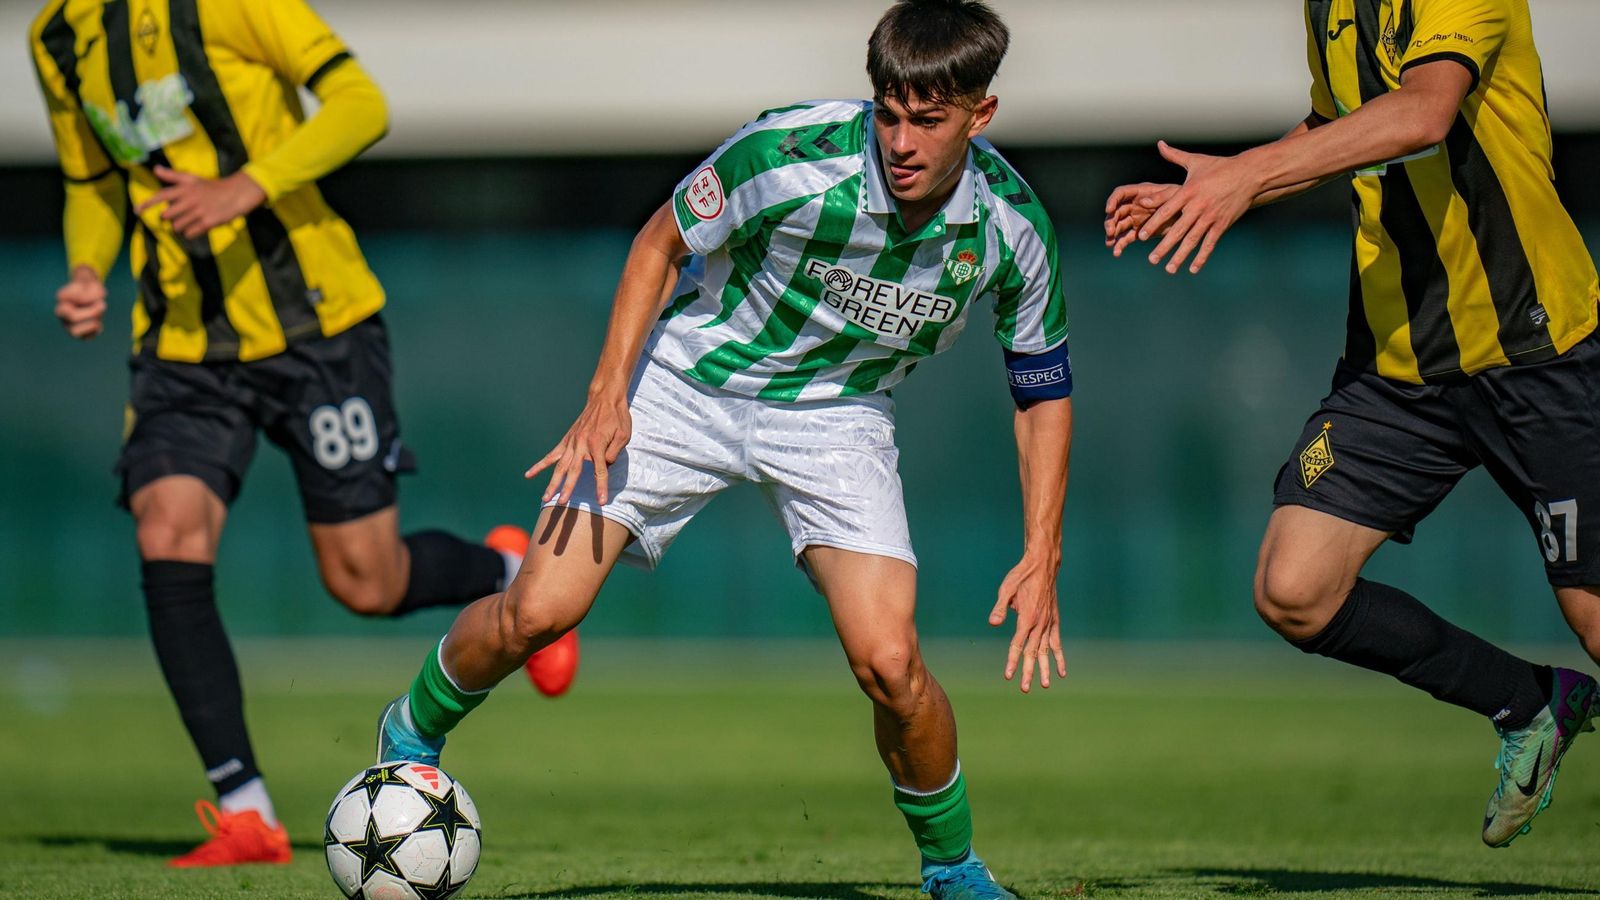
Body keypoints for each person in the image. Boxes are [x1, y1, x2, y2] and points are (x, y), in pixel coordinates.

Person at [373, 1, 1073, 896]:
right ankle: (408, 733)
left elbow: (1042, 390)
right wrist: (605, 399)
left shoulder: (1012, 228)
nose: (901, 140)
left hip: (837, 414)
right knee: (538, 612)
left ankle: (954, 871)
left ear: (982, 116)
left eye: (928, 121)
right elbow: (660, 244)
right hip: (687, 384)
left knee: (892, 665)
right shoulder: (786, 155)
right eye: (889, 114)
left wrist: (1042, 550)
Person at [27, 0, 577, 867]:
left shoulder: (229, 7)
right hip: (182, 349)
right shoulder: (57, 37)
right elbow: (94, 181)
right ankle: (245, 811)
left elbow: (362, 105)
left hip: (316, 326)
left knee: (365, 580)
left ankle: (504, 569)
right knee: (166, 531)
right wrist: (88, 269)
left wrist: (244, 186)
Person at [1104, 0, 1600, 847]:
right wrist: (1216, 189)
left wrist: (1252, 173)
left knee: (1592, 615)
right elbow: (1341, 124)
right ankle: (1530, 702)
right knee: (1294, 589)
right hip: (1398, 364)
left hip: (1534, 345)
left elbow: (1422, 111)